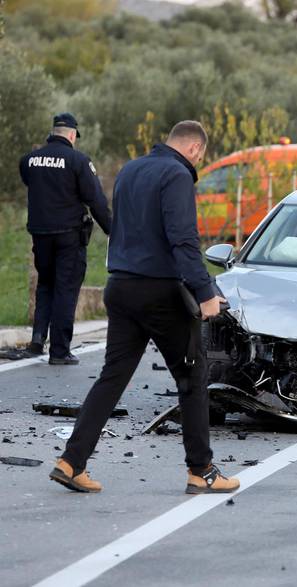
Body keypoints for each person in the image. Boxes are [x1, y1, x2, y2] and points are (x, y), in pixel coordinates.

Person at [50, 121, 239, 495]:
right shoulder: (178, 174)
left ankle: (71, 461)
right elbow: (183, 239)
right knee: (192, 378)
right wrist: (205, 293)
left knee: (112, 377)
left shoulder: (130, 170)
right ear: (195, 150)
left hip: (119, 287)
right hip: (160, 293)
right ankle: (201, 470)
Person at [18, 113, 112, 365]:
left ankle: (37, 341)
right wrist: (112, 229)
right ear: (72, 135)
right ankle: (59, 351)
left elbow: (31, 183)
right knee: (66, 289)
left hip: (40, 235)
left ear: (53, 133)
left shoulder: (29, 160)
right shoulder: (78, 161)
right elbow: (95, 201)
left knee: (45, 285)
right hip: (69, 235)